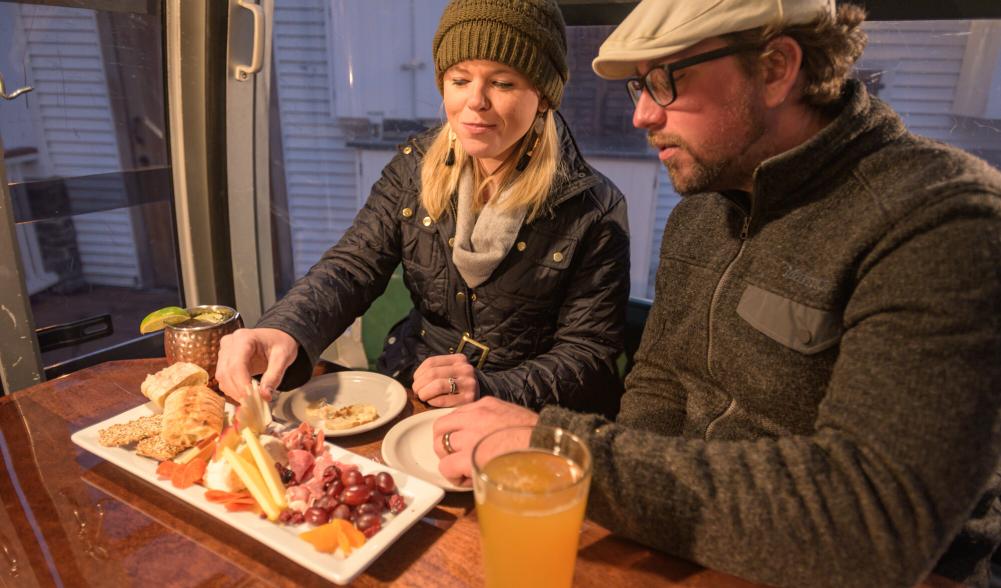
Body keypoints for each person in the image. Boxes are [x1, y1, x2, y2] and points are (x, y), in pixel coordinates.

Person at [432, 1, 1001, 587]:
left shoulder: (944, 219)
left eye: (665, 80)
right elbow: (659, 385)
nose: (642, 115)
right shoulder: (702, 212)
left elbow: (871, 520)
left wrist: (565, 452)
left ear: (777, 67)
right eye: (639, 86)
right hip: (687, 543)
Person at [215, 0, 629, 419]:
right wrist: (283, 328)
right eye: (460, 79)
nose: (475, 102)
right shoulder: (415, 168)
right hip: (415, 388)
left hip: (522, 418)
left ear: (543, 96)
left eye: (502, 83)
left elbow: (588, 355)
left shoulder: (592, 208)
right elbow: (350, 267)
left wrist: (491, 387)